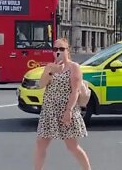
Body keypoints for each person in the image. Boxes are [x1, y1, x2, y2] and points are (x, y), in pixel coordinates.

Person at [34, 38, 91, 170]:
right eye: (55, 49)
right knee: (41, 144)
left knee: (72, 146)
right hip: (49, 110)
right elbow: (41, 85)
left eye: (61, 49)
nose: (58, 52)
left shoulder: (73, 67)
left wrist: (69, 111)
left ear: (67, 51)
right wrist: (50, 71)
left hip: (66, 109)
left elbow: (75, 90)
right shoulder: (50, 66)